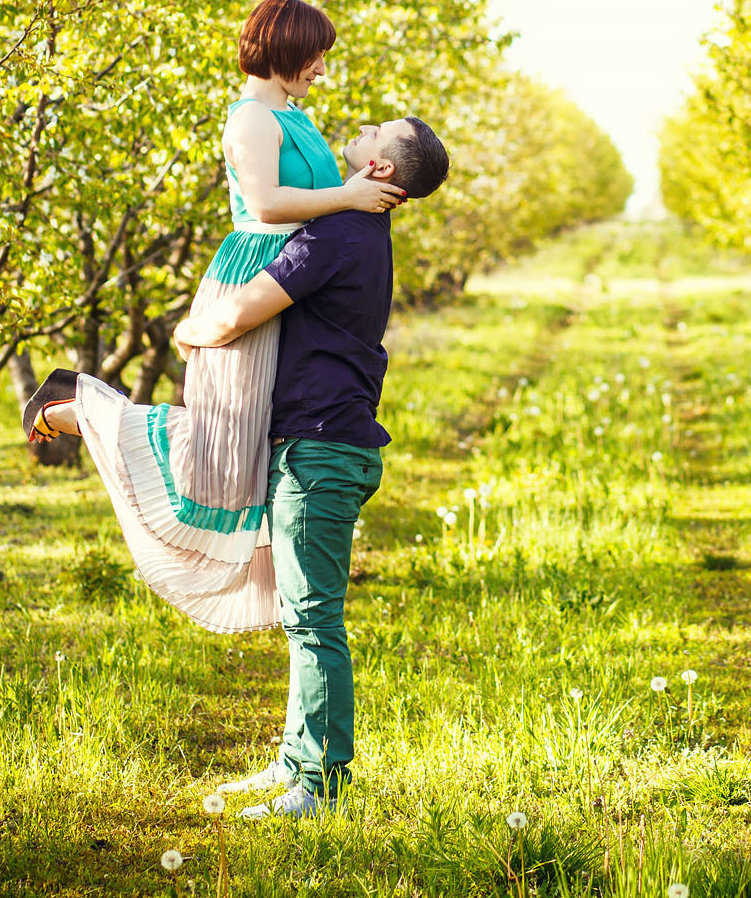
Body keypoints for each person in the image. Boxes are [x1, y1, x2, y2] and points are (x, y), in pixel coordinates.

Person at [27, 114, 449, 819]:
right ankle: (296, 764)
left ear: (380, 170)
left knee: (314, 619)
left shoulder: (341, 233)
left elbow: (236, 315)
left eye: (379, 130)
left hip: (319, 450)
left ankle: (318, 787)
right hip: (322, 442)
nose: (365, 125)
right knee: (303, 615)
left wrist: (187, 331)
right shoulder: (360, 229)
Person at [20, 0, 407, 632]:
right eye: (314, 56)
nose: (320, 69)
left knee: (254, 449)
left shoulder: (297, 117)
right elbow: (265, 203)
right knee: (220, 450)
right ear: (284, 47)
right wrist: (348, 196)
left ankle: (293, 593)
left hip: (291, 283)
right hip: (253, 274)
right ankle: (73, 408)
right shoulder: (250, 117)